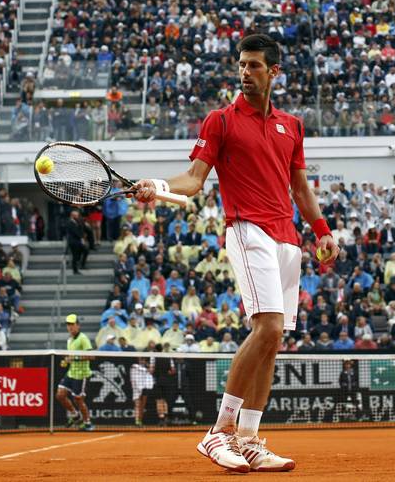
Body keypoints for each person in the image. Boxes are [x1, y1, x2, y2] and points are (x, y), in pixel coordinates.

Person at [134, 34, 336, 473]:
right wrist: (158, 186)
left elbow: (299, 188)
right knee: (266, 327)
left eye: (254, 66)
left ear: (274, 72)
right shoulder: (220, 121)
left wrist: (321, 231)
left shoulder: (292, 126)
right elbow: (193, 179)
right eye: (242, 65)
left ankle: (248, 439)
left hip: (287, 238)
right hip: (247, 229)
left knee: (275, 340)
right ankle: (219, 432)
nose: (245, 72)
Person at [55, 314, 95, 430]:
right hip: (71, 373)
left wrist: (74, 358)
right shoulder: (69, 340)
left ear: (78, 325)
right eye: (68, 325)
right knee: (60, 395)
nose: (70, 327)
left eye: (72, 324)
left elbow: (91, 356)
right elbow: (71, 356)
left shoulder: (83, 338)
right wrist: (66, 361)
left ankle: (87, 423)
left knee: (78, 400)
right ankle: (75, 415)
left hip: (81, 375)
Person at [64, 210, 88, 274]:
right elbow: (75, 232)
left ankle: (82, 264)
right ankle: (75, 270)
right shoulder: (69, 222)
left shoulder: (77, 222)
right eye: (76, 215)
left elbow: (81, 229)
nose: (78, 216)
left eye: (78, 215)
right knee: (75, 256)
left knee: (85, 250)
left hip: (78, 241)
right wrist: (82, 237)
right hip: (73, 242)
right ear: (72, 216)